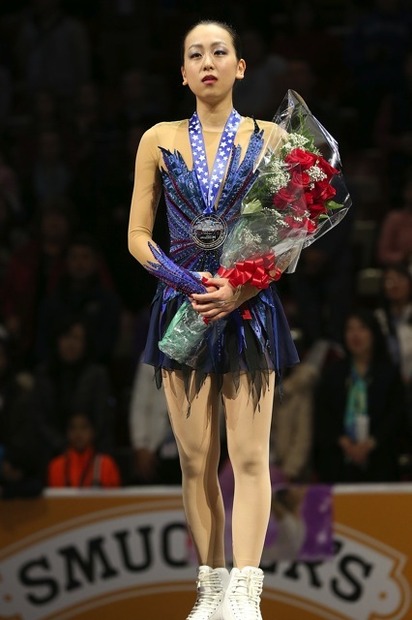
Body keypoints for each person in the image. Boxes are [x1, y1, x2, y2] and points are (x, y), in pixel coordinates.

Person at [128, 19, 300, 620]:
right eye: (195, 54)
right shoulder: (159, 139)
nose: (207, 62)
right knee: (197, 458)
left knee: (250, 458)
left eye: (219, 52)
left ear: (240, 67)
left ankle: (246, 592)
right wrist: (188, 284)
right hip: (184, 308)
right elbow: (138, 237)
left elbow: (290, 234)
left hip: (248, 306)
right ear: (182, 72)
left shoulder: (274, 139)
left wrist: (239, 286)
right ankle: (210, 585)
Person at [313, 308, 405, 484]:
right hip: (339, 460)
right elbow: (323, 415)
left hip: (380, 459)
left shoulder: (388, 374)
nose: (355, 335)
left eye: (362, 328)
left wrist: (369, 444)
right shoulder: (334, 373)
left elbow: (396, 415)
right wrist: (346, 444)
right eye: (350, 329)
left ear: (374, 333)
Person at [47, 412, 121, 488]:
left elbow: (114, 498)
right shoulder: (56, 466)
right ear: (67, 433)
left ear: (93, 432)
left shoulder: (106, 465)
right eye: (73, 428)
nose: (78, 433)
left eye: (84, 427)